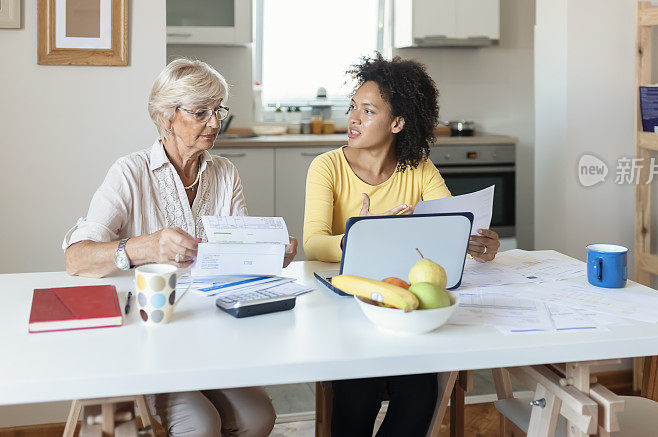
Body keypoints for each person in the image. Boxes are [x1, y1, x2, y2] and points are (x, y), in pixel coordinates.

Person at [63, 58, 298, 437]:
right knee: (201, 424)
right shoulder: (130, 172)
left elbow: (237, 260)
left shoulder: (225, 173)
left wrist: (272, 253)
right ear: (166, 117)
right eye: (201, 112)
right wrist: (145, 246)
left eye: (218, 110)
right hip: (150, 341)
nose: (215, 122)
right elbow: (76, 258)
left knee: (259, 418)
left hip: (214, 334)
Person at [303, 53, 500, 436]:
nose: (354, 119)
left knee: (419, 396)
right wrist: (362, 233)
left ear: (397, 122)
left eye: (368, 110)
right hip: (348, 309)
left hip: (407, 306)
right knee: (356, 395)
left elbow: (449, 221)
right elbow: (313, 245)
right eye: (353, 108)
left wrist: (478, 243)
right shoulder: (326, 166)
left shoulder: (419, 167)